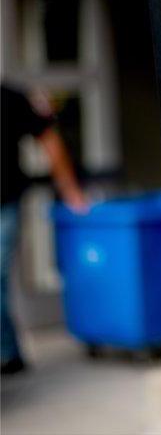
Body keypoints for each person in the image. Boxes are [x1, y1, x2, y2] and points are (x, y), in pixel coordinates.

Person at [1, 84, 87, 374]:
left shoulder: (9, 98)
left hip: (5, 203)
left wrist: (71, 191)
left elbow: (49, 141)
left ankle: (7, 353)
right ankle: (9, 351)